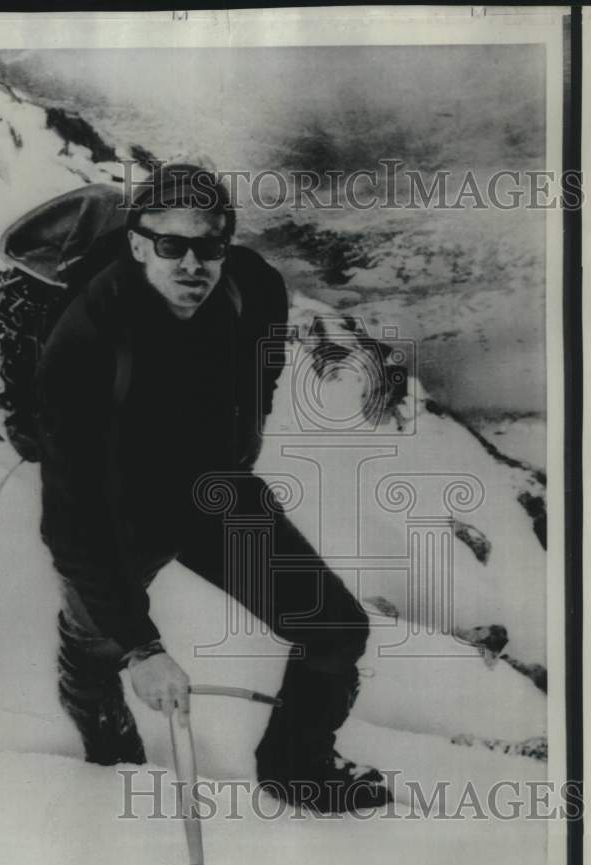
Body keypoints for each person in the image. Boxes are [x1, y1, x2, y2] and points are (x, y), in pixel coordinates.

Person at [36, 163, 391, 813]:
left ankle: (296, 765)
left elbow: (263, 366)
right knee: (101, 638)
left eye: (210, 245)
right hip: (117, 504)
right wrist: (144, 649)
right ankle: (101, 729)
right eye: (171, 245)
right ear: (137, 244)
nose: (192, 262)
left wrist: (237, 454)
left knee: (334, 627)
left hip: (212, 489)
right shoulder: (86, 339)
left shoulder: (252, 286)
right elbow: (72, 518)